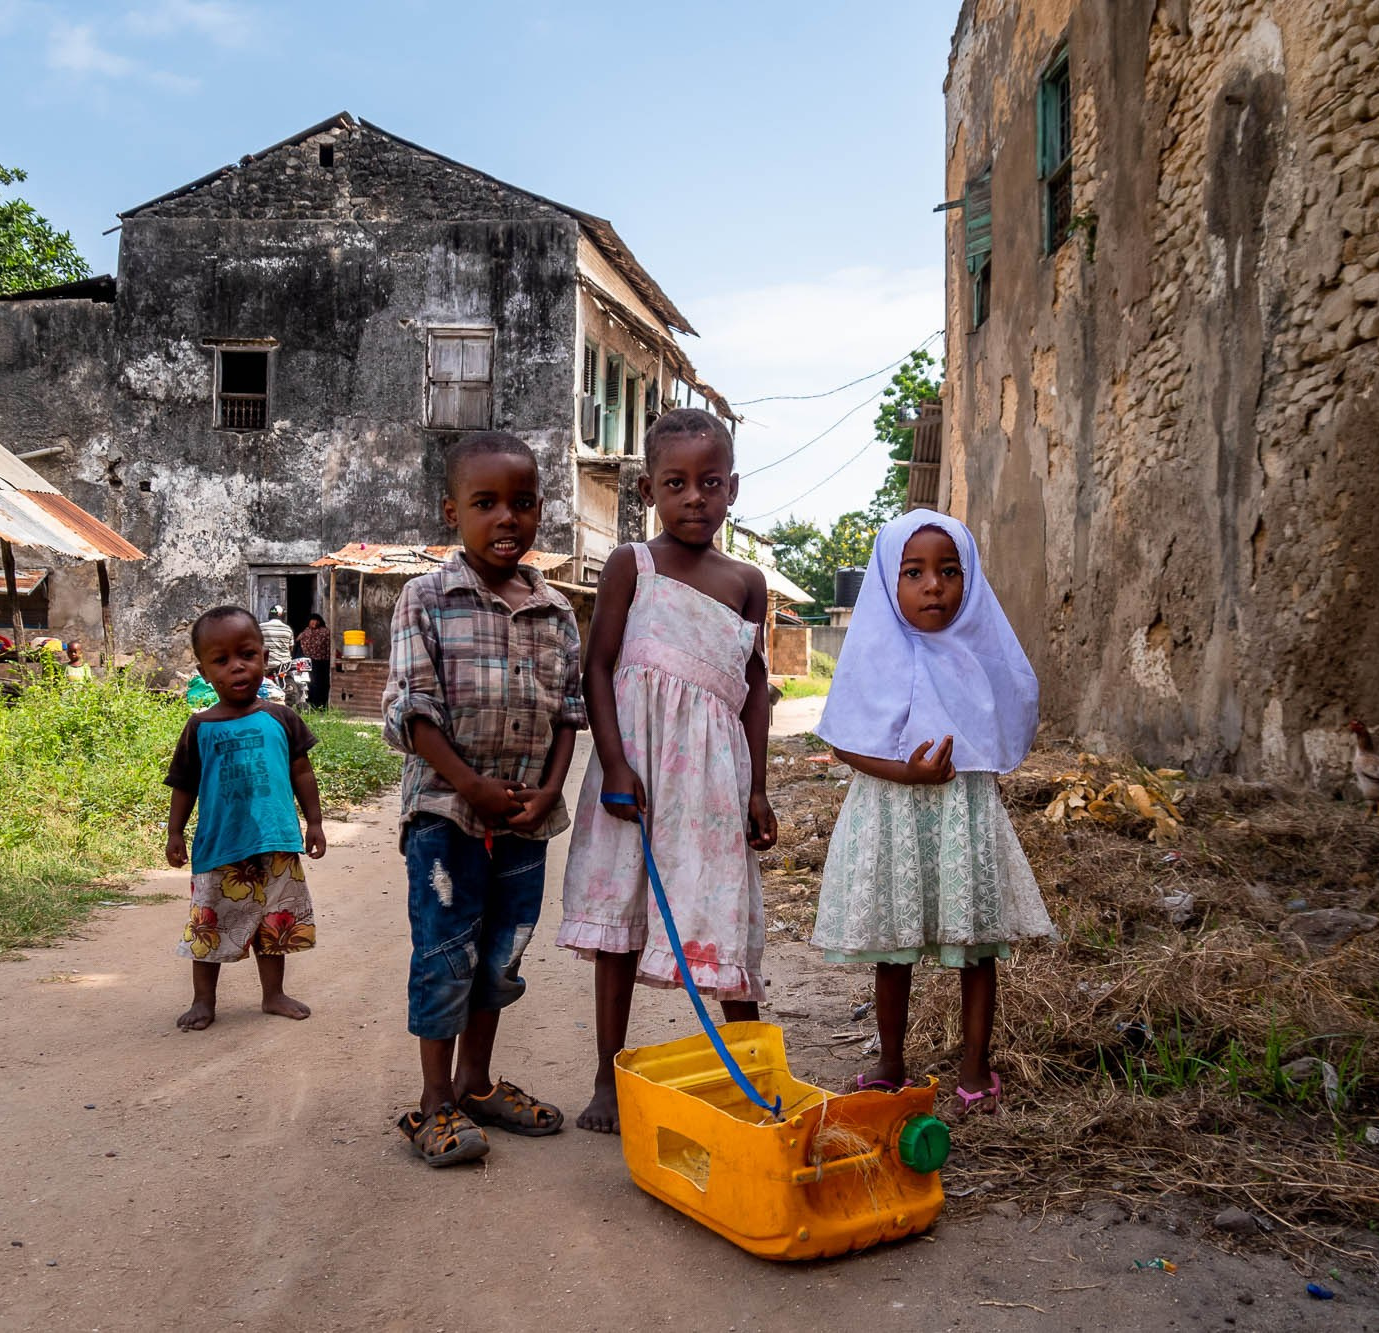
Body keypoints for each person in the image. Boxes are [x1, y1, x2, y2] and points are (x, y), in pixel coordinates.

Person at [557, 408, 778, 1134]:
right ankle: (606, 1076)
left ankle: (754, 1078)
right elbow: (598, 663)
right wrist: (614, 760)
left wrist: (756, 788)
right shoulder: (632, 565)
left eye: (710, 483)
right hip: (638, 777)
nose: (694, 498)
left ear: (733, 489)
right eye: (677, 483)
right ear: (649, 487)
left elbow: (751, 693)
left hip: (712, 783)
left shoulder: (747, 582)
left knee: (721, 916)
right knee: (623, 916)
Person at [382, 431, 585, 1166]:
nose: (508, 518)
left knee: (500, 954)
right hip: (446, 814)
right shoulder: (425, 598)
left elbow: (569, 712)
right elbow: (411, 709)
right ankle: (434, 1103)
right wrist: (469, 784)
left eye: (523, 503)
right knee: (446, 952)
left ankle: (476, 1080)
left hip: (524, 820)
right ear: (451, 512)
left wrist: (551, 790)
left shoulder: (556, 611)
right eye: (486, 503)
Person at [809, 509, 1053, 1120]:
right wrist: (907, 772)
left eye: (948, 571)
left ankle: (975, 1066)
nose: (933, 586)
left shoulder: (978, 654)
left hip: (960, 817)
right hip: (891, 812)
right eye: (913, 572)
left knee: (976, 948)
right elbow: (844, 742)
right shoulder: (872, 650)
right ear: (888, 583)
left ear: (968, 579)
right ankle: (891, 1062)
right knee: (894, 949)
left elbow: (1010, 709)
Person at [165, 606, 328, 1032]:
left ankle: (272, 995)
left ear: (264, 657)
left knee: (273, 923)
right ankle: (204, 1001)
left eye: (248, 655)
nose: (238, 667)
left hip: (276, 841)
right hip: (220, 847)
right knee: (210, 924)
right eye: (222, 660)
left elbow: (301, 772)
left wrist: (314, 822)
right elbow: (184, 784)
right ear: (204, 670)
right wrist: (175, 833)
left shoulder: (281, 717)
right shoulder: (199, 726)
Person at [295, 612, 332, 710]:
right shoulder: (305, 632)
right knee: (309, 683)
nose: (314, 623)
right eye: (312, 620)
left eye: (316, 620)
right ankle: (310, 703)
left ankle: (321, 704)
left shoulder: (325, 632)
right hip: (308, 662)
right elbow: (297, 642)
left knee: (320, 683)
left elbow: (329, 646)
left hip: (321, 662)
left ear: (320, 622)